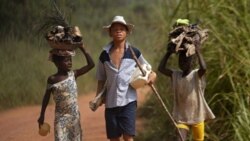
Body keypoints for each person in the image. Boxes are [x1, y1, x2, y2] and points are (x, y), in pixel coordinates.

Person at [96, 15, 156, 141]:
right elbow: (101, 79)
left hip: (129, 101)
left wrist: (152, 77)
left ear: (126, 32)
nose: (118, 31)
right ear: (110, 33)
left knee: (128, 137)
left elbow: (150, 71)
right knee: (114, 138)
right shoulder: (104, 55)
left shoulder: (134, 52)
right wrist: (98, 97)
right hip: (110, 103)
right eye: (115, 29)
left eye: (121, 29)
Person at [158, 34, 215, 140]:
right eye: (181, 60)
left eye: (186, 60)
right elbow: (161, 68)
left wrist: (198, 51)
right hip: (181, 117)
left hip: (197, 116)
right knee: (180, 138)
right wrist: (168, 53)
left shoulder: (195, 75)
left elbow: (204, 68)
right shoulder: (175, 75)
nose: (183, 62)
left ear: (193, 62)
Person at [37, 44, 95, 141]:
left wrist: (82, 47)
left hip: (74, 118)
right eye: (66, 60)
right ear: (57, 63)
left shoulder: (73, 74)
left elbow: (91, 65)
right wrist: (42, 115)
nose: (69, 63)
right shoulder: (52, 79)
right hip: (60, 118)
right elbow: (46, 98)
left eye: (70, 60)